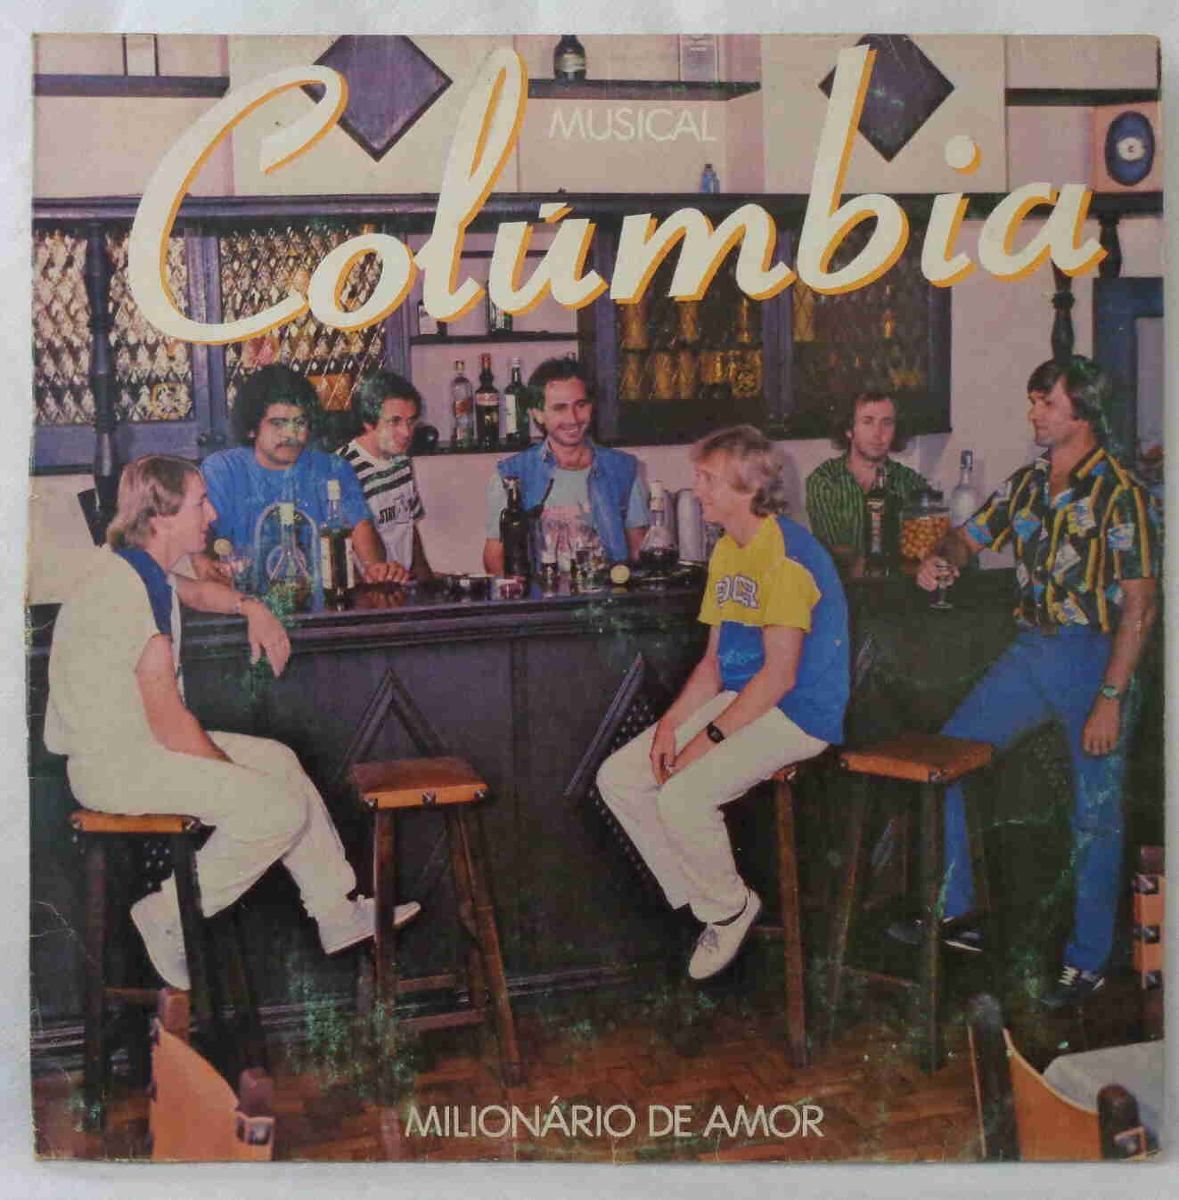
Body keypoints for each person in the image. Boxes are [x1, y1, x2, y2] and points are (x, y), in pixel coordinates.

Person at [44, 456, 420, 990]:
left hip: (138, 747)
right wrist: (234, 776)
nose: (213, 514)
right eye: (200, 503)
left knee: (278, 761)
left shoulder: (139, 569)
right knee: (276, 807)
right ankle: (166, 914)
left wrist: (250, 607)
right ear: (162, 518)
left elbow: (197, 591)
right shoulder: (127, 592)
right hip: (116, 765)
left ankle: (335, 912)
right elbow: (171, 723)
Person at [899, 356, 1160, 1008]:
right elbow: (966, 539)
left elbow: (1141, 607)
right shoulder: (1029, 483)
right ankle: (956, 913)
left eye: (1045, 402)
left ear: (1082, 410)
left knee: (1095, 812)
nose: (1033, 413)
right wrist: (940, 559)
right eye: (1032, 400)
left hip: (1094, 658)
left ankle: (1087, 961)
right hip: (1030, 651)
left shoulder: (1122, 493)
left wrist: (1109, 698)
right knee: (946, 759)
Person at [597, 426, 849, 980]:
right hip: (747, 697)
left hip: (800, 713)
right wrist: (670, 727)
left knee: (681, 796)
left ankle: (728, 910)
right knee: (620, 777)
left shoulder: (788, 557)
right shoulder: (730, 551)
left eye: (708, 479)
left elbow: (780, 677)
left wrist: (704, 743)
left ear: (749, 487)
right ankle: (710, 904)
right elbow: (714, 663)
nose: (698, 490)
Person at [200, 364, 407, 584]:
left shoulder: (333, 468)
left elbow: (361, 529)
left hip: (323, 601)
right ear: (252, 428)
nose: (291, 435)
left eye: (300, 423)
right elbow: (200, 542)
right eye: (278, 424)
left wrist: (376, 569)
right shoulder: (223, 470)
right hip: (246, 601)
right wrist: (206, 566)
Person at [482, 358, 649, 574]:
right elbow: (494, 558)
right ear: (537, 414)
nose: (573, 418)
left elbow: (638, 551)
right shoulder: (511, 476)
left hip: (608, 593)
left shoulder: (624, 469)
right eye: (559, 408)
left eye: (581, 405)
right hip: (540, 594)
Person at [805, 390, 929, 564]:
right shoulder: (825, 480)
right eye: (868, 422)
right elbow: (831, 550)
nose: (878, 433)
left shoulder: (911, 483)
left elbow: (926, 546)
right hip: (842, 580)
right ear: (849, 430)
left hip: (900, 579)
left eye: (887, 423)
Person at [338, 370, 433, 581]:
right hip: (369, 590)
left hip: (401, 585)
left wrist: (427, 582)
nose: (406, 432)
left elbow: (409, 528)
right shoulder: (343, 468)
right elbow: (341, 552)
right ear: (369, 422)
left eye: (411, 421)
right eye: (394, 421)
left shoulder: (401, 460)